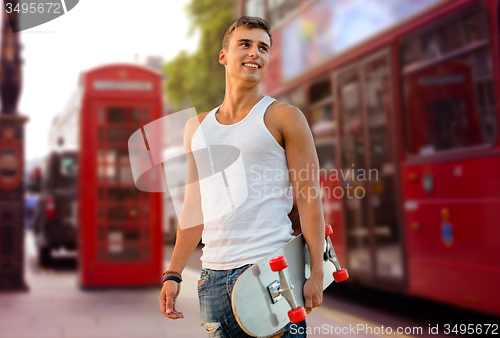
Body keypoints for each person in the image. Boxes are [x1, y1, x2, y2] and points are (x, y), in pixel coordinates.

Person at [159, 16, 325, 338]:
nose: (255, 53)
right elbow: (194, 207)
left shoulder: (284, 117)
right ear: (224, 56)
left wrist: (316, 270)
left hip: (270, 273)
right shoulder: (197, 128)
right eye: (245, 44)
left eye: (263, 47)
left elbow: (308, 198)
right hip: (212, 281)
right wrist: (174, 273)